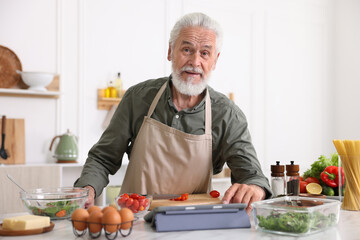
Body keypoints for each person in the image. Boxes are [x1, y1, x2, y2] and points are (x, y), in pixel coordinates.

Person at [74, 12, 272, 214]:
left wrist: (255, 188)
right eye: (187, 49)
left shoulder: (228, 114)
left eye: (205, 53)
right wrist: (87, 189)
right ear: (170, 51)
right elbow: (103, 158)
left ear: (215, 60)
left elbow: (252, 175)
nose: (195, 62)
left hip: (195, 221)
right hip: (135, 218)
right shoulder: (137, 98)